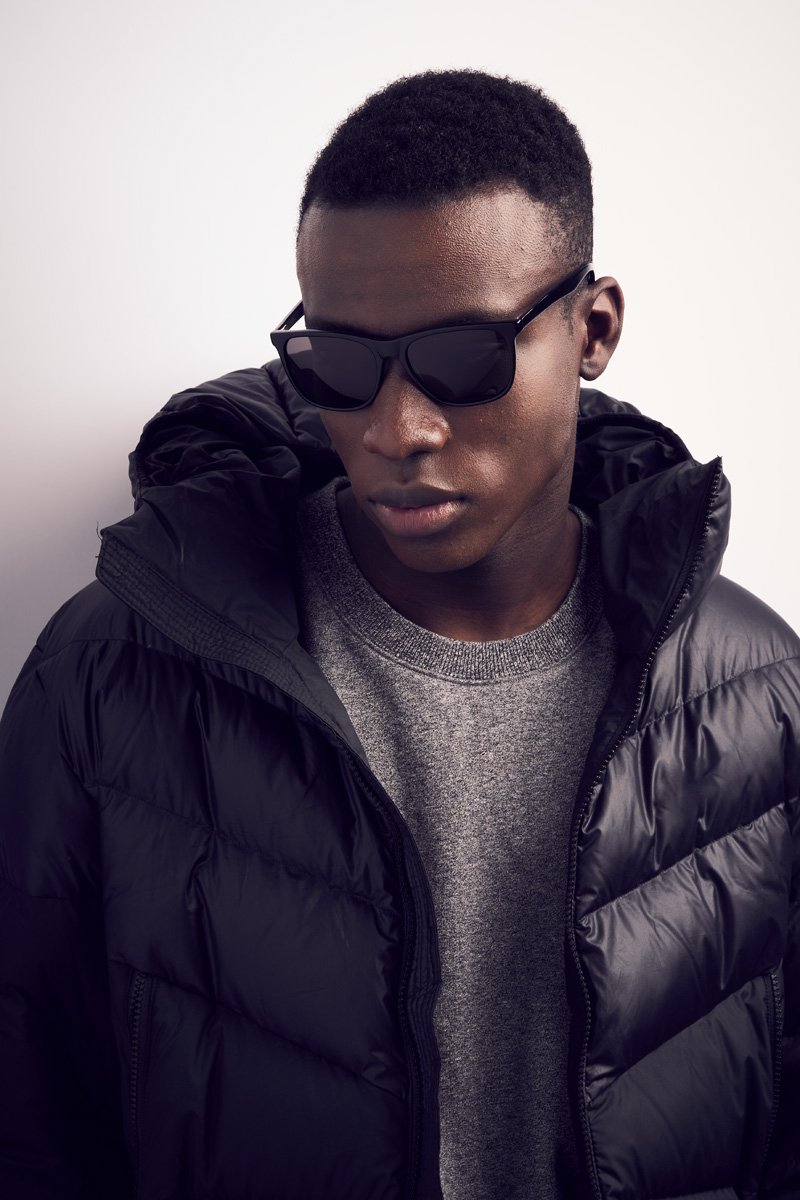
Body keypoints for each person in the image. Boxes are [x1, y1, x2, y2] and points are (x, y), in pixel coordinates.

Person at [0, 67, 797, 1200]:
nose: (397, 429)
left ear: (593, 329)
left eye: (463, 359)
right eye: (340, 364)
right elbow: (30, 1115)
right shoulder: (112, 672)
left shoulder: (758, 693)